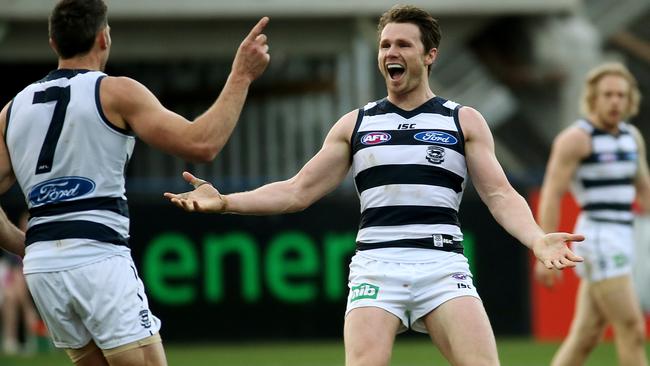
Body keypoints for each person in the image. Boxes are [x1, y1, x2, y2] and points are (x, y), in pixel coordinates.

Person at [165, 5, 583, 366]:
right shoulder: (357, 124)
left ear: (430, 54)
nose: (391, 53)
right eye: (385, 45)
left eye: (403, 44)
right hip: (377, 267)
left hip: (442, 266)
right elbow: (297, 191)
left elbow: (499, 194)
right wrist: (223, 202)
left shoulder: (462, 120)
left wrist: (537, 239)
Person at [0, 0, 270, 364]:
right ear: (103, 38)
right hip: (97, 255)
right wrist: (242, 75)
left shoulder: (14, 109)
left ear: (53, 42)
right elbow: (201, 143)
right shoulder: (114, 92)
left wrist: (26, 244)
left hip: (43, 270)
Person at [534, 62, 649, 366]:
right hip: (599, 237)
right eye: (608, 94)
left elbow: (644, 189)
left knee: (586, 336)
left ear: (629, 99)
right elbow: (552, 194)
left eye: (621, 95)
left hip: (623, 235)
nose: (615, 101)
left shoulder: (631, 137)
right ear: (593, 98)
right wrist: (546, 251)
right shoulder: (576, 139)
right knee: (632, 328)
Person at [0, 211, 47, 355]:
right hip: (19, 289)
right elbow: (13, 276)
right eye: (24, 224)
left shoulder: (45, 247)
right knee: (12, 291)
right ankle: (13, 340)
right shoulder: (15, 246)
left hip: (37, 289)